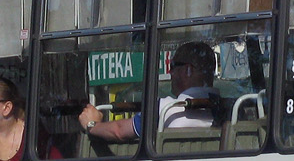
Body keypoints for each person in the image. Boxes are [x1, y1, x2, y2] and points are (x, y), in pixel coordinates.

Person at [79, 40, 219, 142]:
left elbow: (119, 131)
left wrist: (92, 124)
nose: (170, 73)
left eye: (174, 66)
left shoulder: (166, 108)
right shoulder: (224, 108)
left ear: (188, 70)